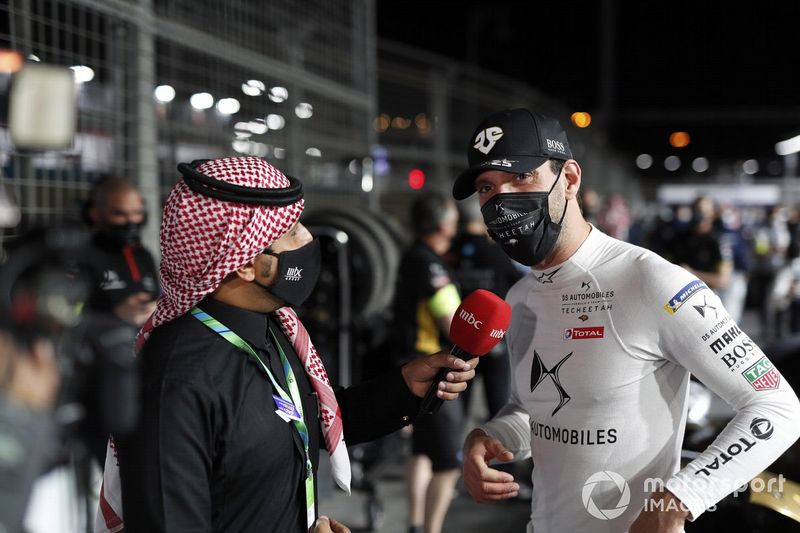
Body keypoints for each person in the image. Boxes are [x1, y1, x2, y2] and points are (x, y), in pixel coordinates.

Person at [454, 108, 800, 533]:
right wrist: (491, 438)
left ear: (569, 179)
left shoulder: (652, 281)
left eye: (521, 176)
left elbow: (777, 407)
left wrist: (680, 499)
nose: (502, 198)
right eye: (486, 187)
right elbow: (538, 411)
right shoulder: (520, 297)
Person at [97, 157, 477, 533]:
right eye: (292, 231)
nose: (308, 240)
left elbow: (303, 416)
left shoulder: (272, 326)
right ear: (245, 264)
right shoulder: (176, 382)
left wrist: (403, 388)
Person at [391, 191, 463, 533]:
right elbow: (453, 324)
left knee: (421, 450)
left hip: (408, 365)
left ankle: (415, 525)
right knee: (448, 463)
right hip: (430, 372)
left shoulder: (412, 255)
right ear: (443, 224)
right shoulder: (430, 264)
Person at [450, 197, 521, 418]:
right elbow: (520, 284)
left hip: (458, 341)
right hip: (494, 342)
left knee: (457, 407)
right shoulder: (497, 254)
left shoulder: (448, 253)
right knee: (498, 410)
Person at [84, 176, 159, 327]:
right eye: (120, 214)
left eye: (137, 213)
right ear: (95, 214)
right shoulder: (81, 255)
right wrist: (115, 314)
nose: (131, 221)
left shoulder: (144, 255)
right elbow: (63, 315)